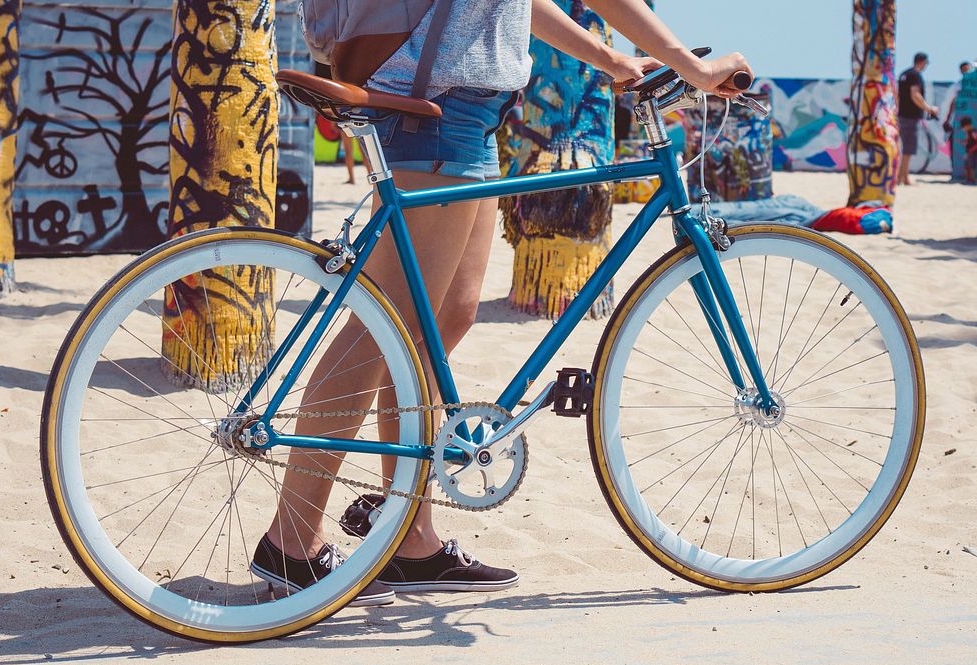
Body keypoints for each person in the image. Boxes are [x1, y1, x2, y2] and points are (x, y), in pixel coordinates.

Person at [253, 0, 754, 606]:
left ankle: (409, 540)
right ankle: (291, 540)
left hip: (471, 110)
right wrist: (689, 65)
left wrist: (609, 58)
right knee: (386, 329)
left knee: (439, 325)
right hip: (433, 105)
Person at [897, 52, 939, 186]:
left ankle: (900, 177)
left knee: (902, 147)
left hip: (902, 115)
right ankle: (904, 178)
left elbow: (898, 96)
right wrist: (929, 108)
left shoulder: (904, 74)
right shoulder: (915, 75)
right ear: (922, 62)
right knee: (908, 148)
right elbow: (915, 94)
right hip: (910, 116)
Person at [944, 61, 975, 176]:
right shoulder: (959, 85)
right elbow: (953, 102)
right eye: (964, 70)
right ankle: (960, 172)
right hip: (961, 121)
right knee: (960, 147)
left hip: (969, 120)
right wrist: (948, 118)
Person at [961, 116, 977, 184]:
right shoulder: (968, 132)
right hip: (969, 152)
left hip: (974, 153)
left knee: (972, 166)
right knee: (967, 166)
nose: (963, 129)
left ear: (967, 125)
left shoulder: (973, 132)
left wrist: (972, 149)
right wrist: (965, 142)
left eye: (963, 127)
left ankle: (973, 179)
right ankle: (969, 178)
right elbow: (969, 141)